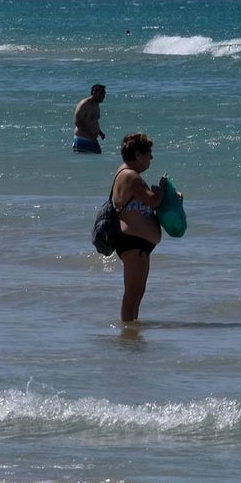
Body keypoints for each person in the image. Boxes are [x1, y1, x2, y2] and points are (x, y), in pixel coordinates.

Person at [110, 133, 166, 322]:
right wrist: (163, 190)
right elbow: (154, 200)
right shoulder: (130, 176)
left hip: (138, 242)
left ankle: (132, 330)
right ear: (138, 155)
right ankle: (127, 333)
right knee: (132, 292)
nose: (151, 157)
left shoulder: (126, 173)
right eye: (149, 153)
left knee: (138, 292)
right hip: (132, 242)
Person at [73, 84, 108, 154]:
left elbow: (94, 121)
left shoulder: (96, 104)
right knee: (84, 162)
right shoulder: (84, 104)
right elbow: (77, 122)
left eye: (104, 94)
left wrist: (100, 133)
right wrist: (89, 135)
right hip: (83, 139)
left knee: (97, 161)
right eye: (101, 93)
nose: (103, 96)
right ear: (94, 92)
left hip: (92, 139)